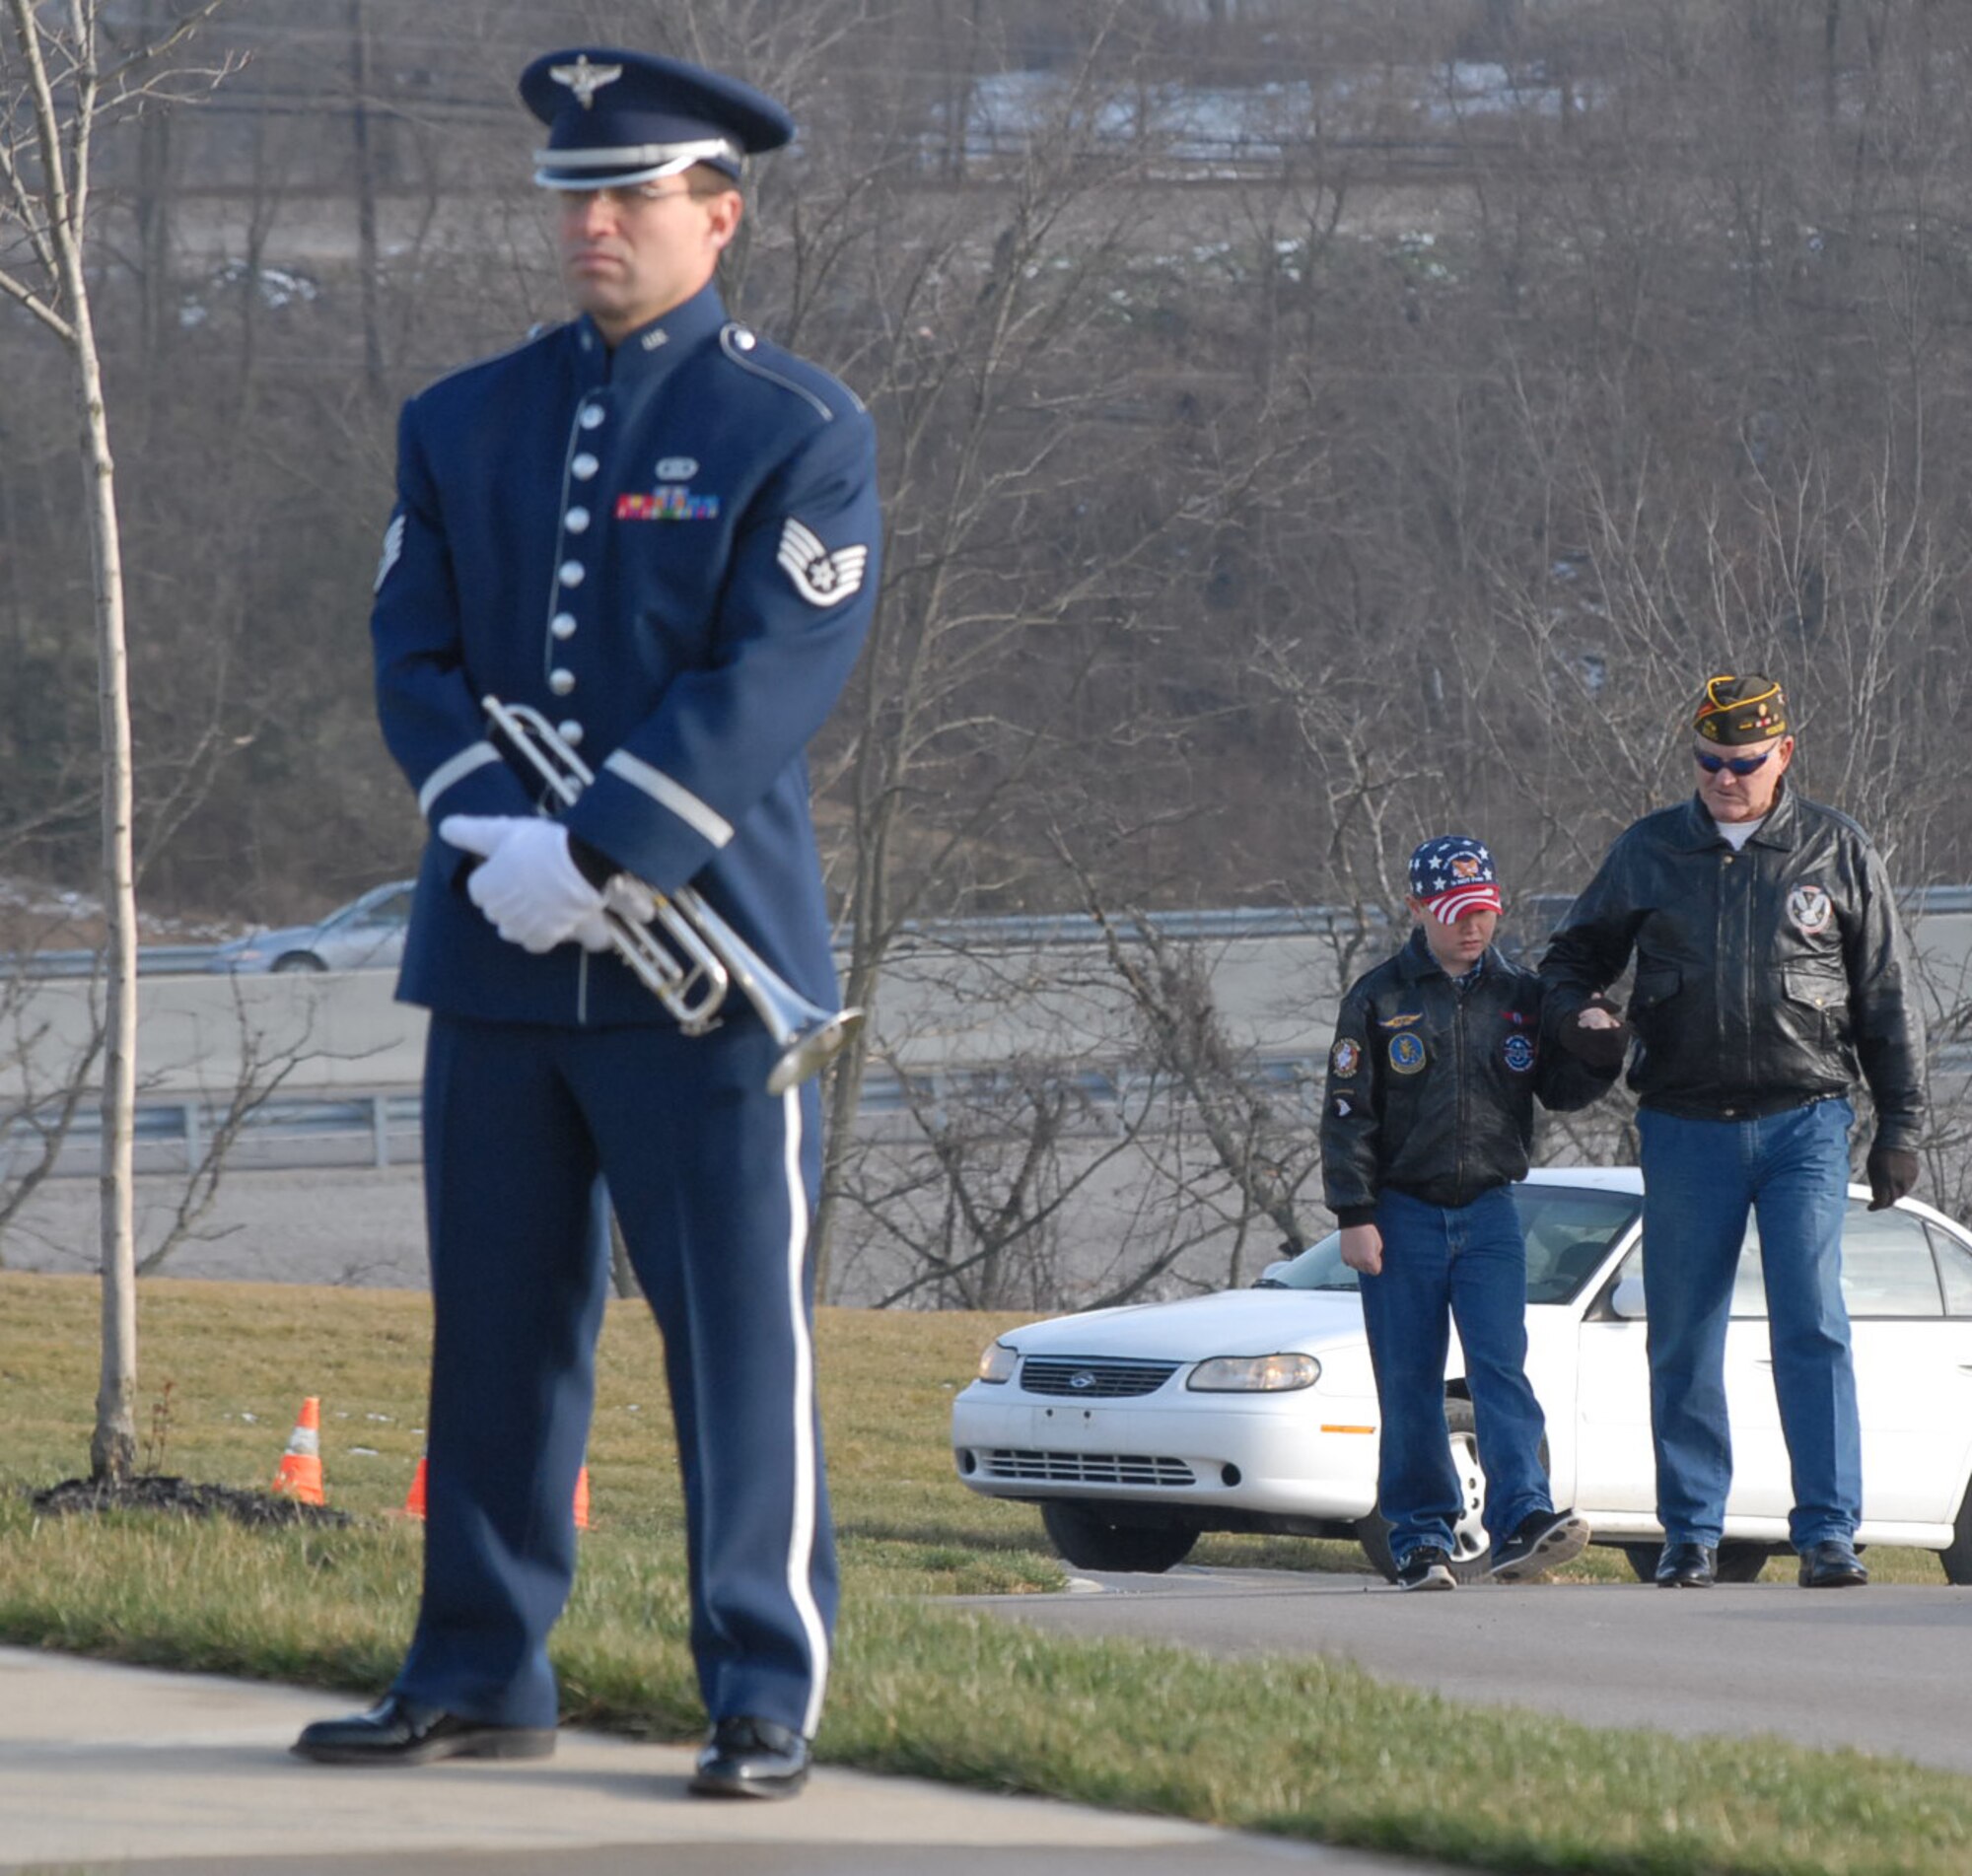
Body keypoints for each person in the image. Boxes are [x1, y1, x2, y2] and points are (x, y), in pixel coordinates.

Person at [291, 47, 880, 1798]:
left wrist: (605, 850)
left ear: (723, 213)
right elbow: (416, 653)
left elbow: (773, 676)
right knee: (495, 1332)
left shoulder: (797, 429)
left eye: (629, 197)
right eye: (573, 195)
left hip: (705, 966)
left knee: (735, 1345)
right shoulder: (464, 415)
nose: (594, 224)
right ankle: (478, 1666)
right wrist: (489, 832)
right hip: (495, 950)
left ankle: (764, 1684)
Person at [1542, 673, 1927, 1591]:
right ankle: (1691, 1534)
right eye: (1710, 761)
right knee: (1680, 1331)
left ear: (1783, 754)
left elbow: (1885, 996)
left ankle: (1829, 1531)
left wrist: (1900, 1121)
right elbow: (1570, 957)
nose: (1725, 777)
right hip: (1685, 1124)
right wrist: (1581, 1015)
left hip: (1806, 1120)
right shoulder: (1651, 849)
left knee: (1811, 1324)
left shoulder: (1837, 848)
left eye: (1743, 762)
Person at [1321, 836, 1617, 1591]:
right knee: (1411, 1378)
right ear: (1419, 909)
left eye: (1482, 911)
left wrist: (1597, 1051)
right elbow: (1348, 1111)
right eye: (1453, 914)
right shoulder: (1380, 997)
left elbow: (1557, 1088)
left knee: (1499, 1367)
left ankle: (1522, 1514)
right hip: (1402, 1212)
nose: (1470, 928)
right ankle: (1420, 1535)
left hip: (1489, 1210)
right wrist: (1355, 1210)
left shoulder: (1520, 994)